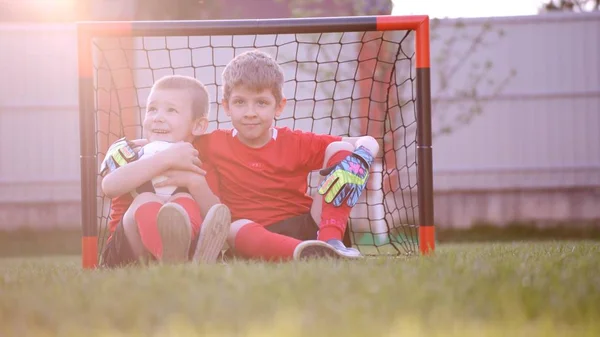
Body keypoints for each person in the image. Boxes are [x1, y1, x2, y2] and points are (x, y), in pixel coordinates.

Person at [159, 50, 379, 261]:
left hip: (306, 226)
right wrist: (132, 145)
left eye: (261, 103)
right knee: (234, 228)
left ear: (279, 106)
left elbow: (357, 144)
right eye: (240, 102)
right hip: (249, 235)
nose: (250, 112)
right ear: (226, 106)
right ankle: (308, 254)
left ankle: (331, 243)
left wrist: (364, 152)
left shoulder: (295, 142)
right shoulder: (214, 143)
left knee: (342, 152)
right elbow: (171, 144)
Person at [99, 75, 231, 268]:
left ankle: (184, 253)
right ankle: (172, 259)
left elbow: (215, 216)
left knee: (183, 203)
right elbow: (109, 187)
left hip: (188, 245)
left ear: (198, 125)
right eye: (152, 109)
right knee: (144, 200)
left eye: (171, 110)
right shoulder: (131, 151)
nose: (158, 117)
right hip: (127, 255)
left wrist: (194, 182)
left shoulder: (199, 160)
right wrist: (166, 158)